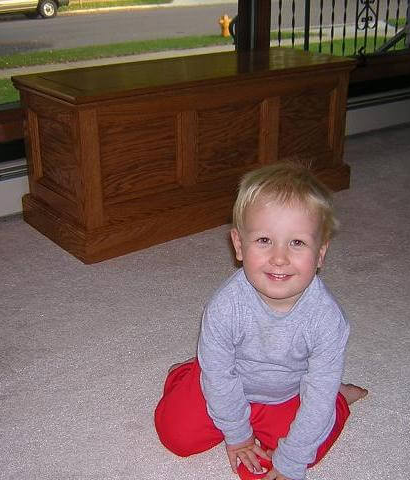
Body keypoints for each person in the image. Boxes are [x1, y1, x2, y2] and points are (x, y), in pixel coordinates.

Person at [154, 162, 367, 480]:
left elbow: (315, 397)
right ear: (239, 245)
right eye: (264, 240)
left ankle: (340, 399)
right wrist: (238, 436)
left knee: (306, 448)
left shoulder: (327, 320)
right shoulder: (226, 307)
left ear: (320, 253)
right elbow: (219, 380)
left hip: (289, 392)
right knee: (175, 435)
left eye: (297, 243)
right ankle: (191, 369)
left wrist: (292, 459)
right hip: (228, 382)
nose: (279, 257)